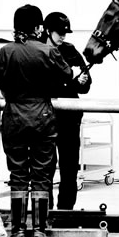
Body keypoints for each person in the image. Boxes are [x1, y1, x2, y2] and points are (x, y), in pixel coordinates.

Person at [0, 4, 72, 237]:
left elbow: (2, 85)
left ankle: (17, 230)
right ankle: (40, 230)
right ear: (39, 27)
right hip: (42, 119)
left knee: (18, 175)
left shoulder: (5, 52)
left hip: (14, 119)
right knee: (41, 176)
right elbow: (67, 76)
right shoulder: (48, 51)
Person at [42, 12, 91, 210]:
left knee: (69, 168)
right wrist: (70, 83)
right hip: (46, 117)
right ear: (47, 31)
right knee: (45, 167)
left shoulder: (70, 50)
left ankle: (66, 211)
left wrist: (80, 82)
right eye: (59, 33)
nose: (63, 36)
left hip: (69, 117)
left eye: (65, 33)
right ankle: (45, 210)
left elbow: (86, 83)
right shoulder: (39, 50)